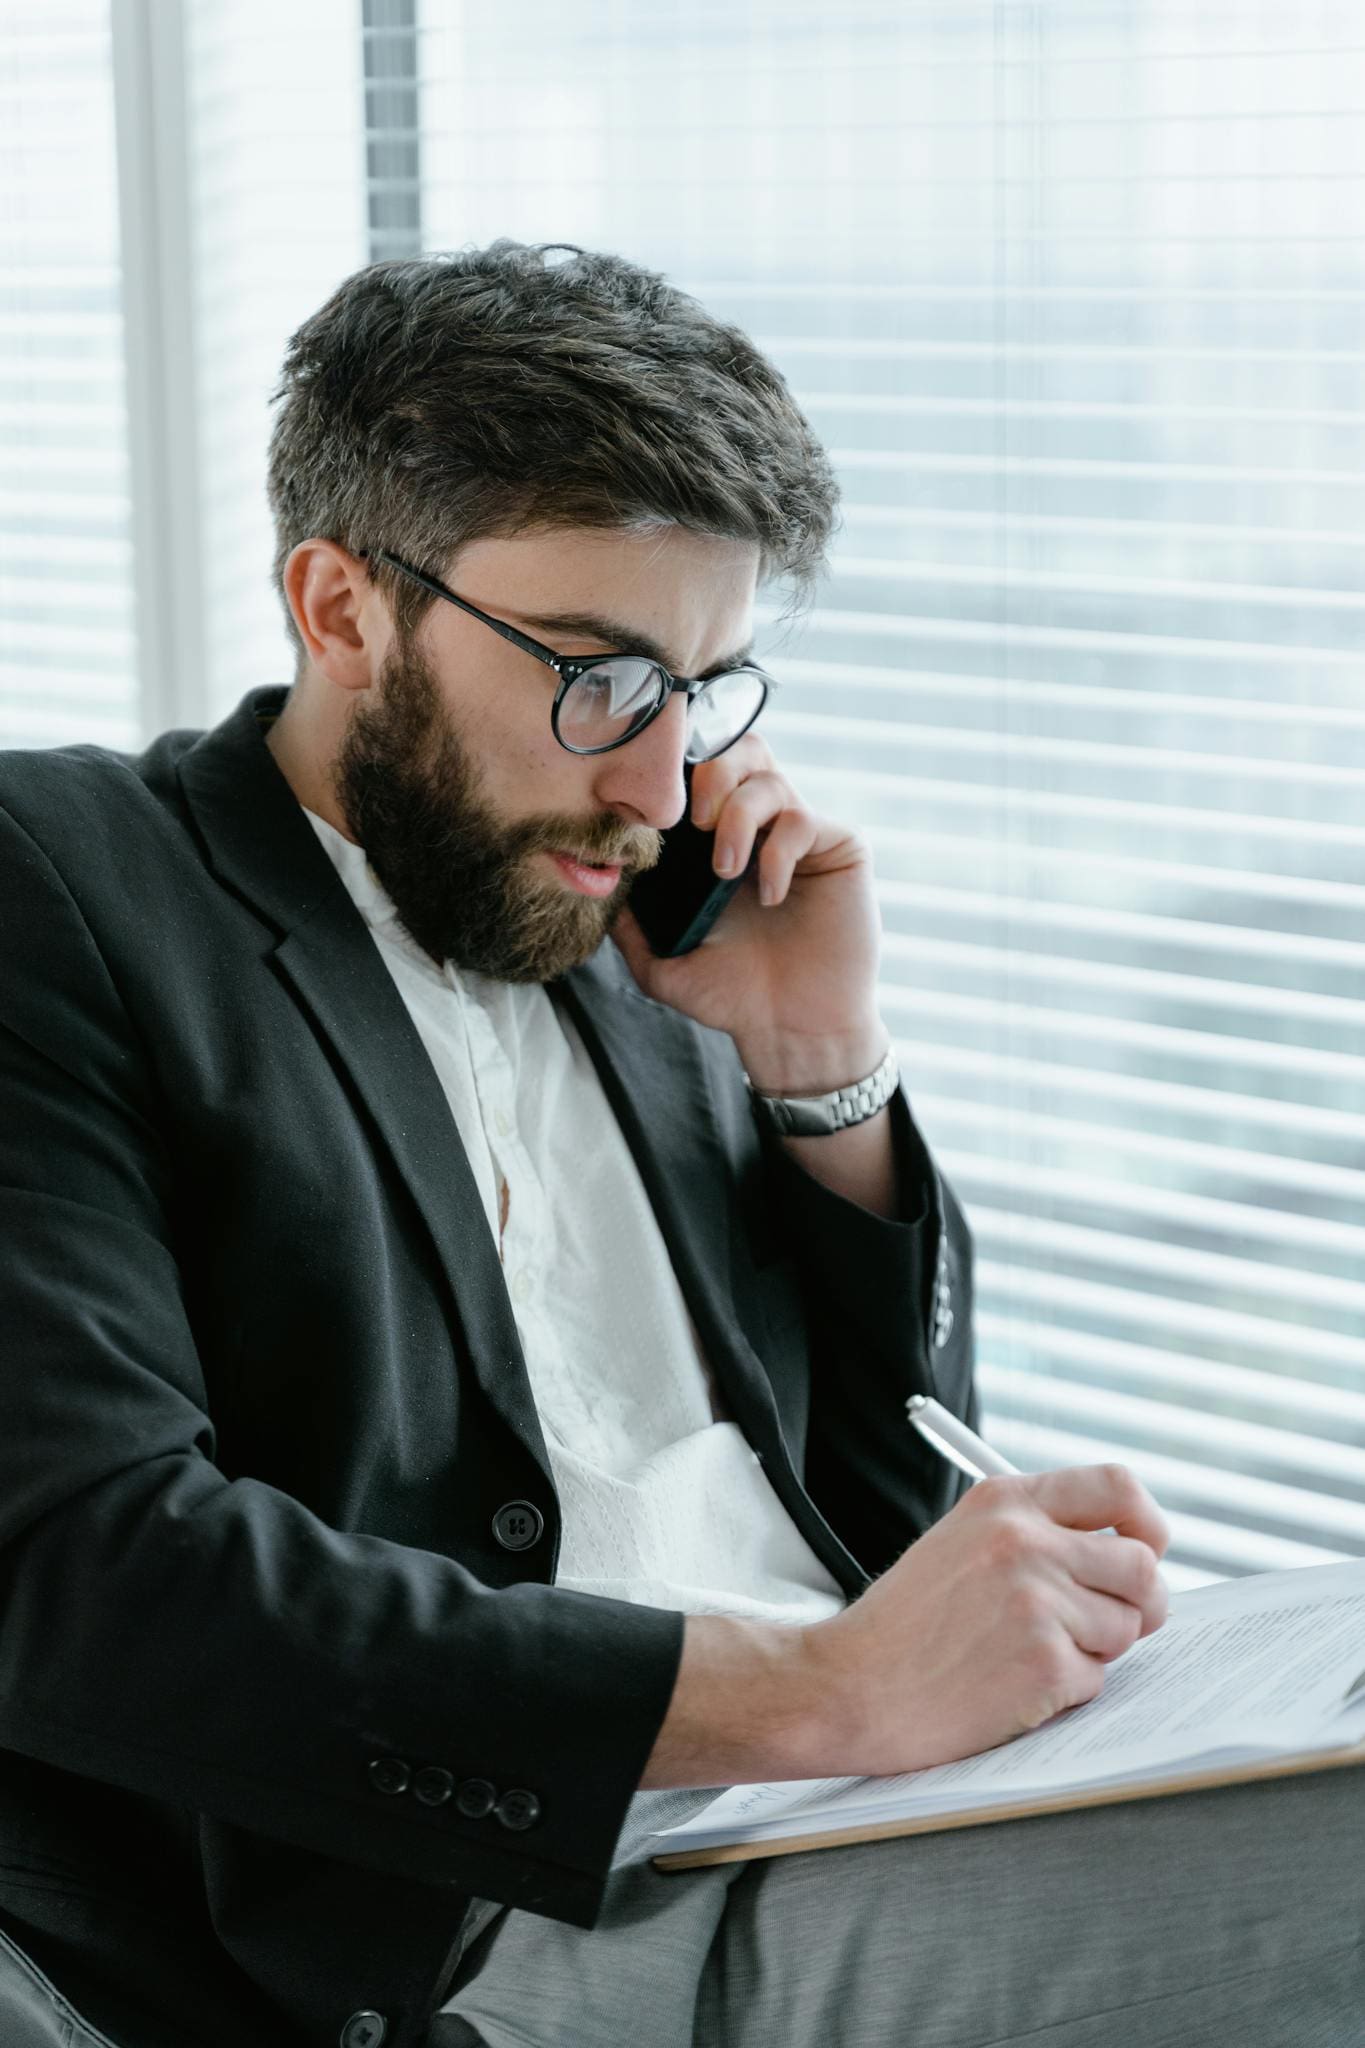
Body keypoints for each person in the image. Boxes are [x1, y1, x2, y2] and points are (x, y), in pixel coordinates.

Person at [0, 242, 1357, 2048]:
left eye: (700, 687)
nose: (656, 785)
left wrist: (823, 1078)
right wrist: (819, 1697)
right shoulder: (73, 887)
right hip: (521, 1904)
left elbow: (872, 1502)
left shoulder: (630, 916)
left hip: (859, 1809)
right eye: (596, 673)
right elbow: (85, 1574)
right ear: (340, 608)